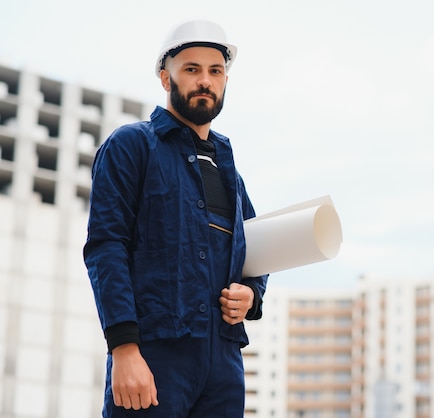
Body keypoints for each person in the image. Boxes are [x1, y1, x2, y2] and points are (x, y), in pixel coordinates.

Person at [83, 20, 268, 417]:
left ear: (225, 82)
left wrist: (252, 294)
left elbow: (256, 248)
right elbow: (105, 247)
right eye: (192, 69)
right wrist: (124, 349)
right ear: (166, 78)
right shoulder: (132, 146)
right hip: (153, 353)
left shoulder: (229, 174)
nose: (205, 80)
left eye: (215, 71)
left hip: (223, 363)